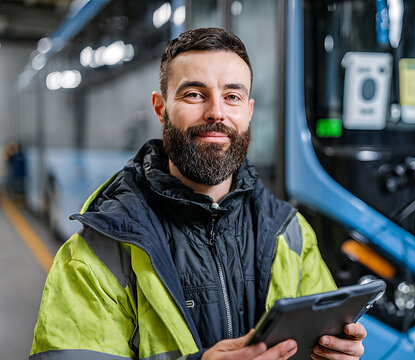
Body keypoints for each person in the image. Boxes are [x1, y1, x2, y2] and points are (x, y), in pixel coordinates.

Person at [30, 28, 367, 360]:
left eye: (232, 97)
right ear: (161, 108)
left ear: (248, 112)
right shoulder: (98, 252)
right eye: (194, 94)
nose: (216, 113)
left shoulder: (291, 234)